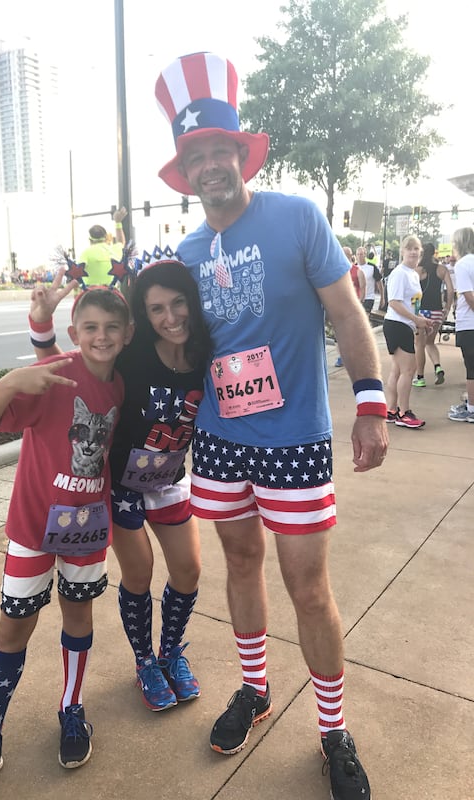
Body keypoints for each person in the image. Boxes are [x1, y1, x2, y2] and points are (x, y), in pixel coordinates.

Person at [154, 51, 388, 800]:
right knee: (241, 565)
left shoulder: (295, 217)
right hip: (220, 443)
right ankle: (255, 691)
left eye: (221, 149)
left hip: (293, 440)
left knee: (309, 588)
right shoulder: (187, 254)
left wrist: (373, 402)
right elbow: (173, 349)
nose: (212, 164)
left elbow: (347, 311)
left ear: (242, 153)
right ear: (186, 171)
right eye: (197, 156)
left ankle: (332, 731)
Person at [0, 287, 133, 799]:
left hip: (86, 531)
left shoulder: (124, 387)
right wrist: (13, 379)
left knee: (79, 618)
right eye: (90, 328)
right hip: (31, 530)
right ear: (75, 334)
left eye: (111, 328)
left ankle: (72, 711)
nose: (101, 336)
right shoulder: (53, 376)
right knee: (13, 626)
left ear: (126, 335)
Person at [28, 259, 212, 712]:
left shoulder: (206, 355)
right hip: (121, 484)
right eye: (156, 309)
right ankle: (145, 662)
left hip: (169, 477)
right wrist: (41, 323)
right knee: (140, 572)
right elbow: (66, 372)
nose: (170, 318)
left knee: (188, 570)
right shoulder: (133, 358)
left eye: (178, 303)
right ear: (142, 319)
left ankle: (171, 653)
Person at [382, 235, 432, 429]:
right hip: (397, 324)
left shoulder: (412, 273)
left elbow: (411, 304)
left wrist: (419, 321)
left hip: (404, 324)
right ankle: (404, 412)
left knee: (398, 370)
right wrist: (416, 320)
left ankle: (392, 409)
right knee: (409, 370)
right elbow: (394, 302)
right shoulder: (400, 273)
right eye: (409, 248)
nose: (413, 251)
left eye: (416, 248)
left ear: (421, 252)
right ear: (402, 251)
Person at [412, 242, 454, 388]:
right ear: (435, 253)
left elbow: (411, 291)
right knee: (430, 342)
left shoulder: (416, 270)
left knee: (419, 345)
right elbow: (450, 290)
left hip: (421, 312)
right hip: (436, 312)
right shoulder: (442, 269)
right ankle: (438, 367)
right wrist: (447, 308)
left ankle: (420, 377)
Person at [447, 227, 474, 422]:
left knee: (471, 368)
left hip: (468, 322)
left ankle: (471, 409)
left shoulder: (463, 264)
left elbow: (468, 295)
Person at [78, 207, 127, 286]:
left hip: (90, 293)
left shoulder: (86, 253)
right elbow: (121, 242)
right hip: (111, 292)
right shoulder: (114, 250)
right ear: (106, 237)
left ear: (90, 240)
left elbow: (78, 272)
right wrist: (118, 222)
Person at [334, 247, 364, 367]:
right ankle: (342, 356)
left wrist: (360, 302)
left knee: (353, 331)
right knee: (338, 333)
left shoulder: (357, 270)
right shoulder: (335, 270)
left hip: (353, 305)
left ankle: (354, 354)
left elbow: (363, 287)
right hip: (339, 306)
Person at [356, 246, 382, 315]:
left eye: (361, 254)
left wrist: (382, 298)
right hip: (357, 297)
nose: (359, 256)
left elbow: (379, 282)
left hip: (369, 297)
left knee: (364, 317)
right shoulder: (354, 267)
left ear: (365, 255)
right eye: (357, 254)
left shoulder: (372, 267)